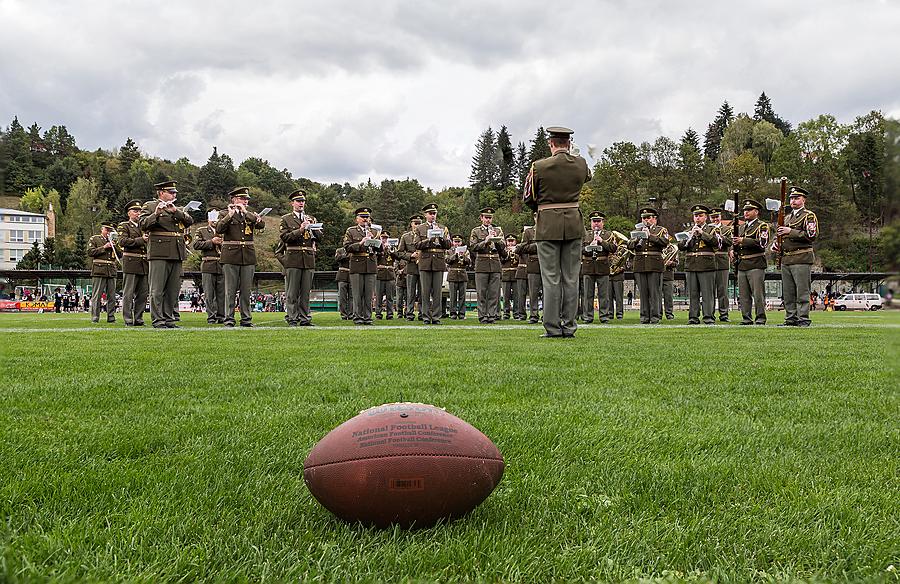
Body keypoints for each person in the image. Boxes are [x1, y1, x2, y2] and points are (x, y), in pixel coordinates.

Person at [523, 127, 590, 338]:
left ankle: (552, 327)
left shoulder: (539, 166)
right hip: (573, 223)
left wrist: (542, 208)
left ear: (551, 144)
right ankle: (569, 326)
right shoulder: (581, 164)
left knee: (550, 278)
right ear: (569, 144)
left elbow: (528, 196)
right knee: (571, 278)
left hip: (547, 224)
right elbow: (586, 177)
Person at [140, 180, 194, 328]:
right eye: (171, 192)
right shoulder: (150, 206)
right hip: (159, 251)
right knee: (157, 289)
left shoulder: (178, 208)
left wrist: (175, 211)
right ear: (161, 193)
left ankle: (169, 319)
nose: (174, 195)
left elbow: (189, 221)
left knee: (172, 289)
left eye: (174, 193)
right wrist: (156, 213)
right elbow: (143, 224)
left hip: (177, 251)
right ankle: (158, 319)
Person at [217, 186, 265, 327]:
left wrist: (245, 212)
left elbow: (261, 224)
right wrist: (230, 215)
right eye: (242, 199)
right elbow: (219, 229)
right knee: (230, 290)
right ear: (234, 199)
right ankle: (229, 319)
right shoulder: (224, 213)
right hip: (231, 255)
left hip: (248, 255)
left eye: (246, 199)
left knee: (246, 290)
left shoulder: (249, 214)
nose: (245, 201)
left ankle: (246, 319)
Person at [774, 185, 819, 327]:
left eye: (796, 198)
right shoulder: (786, 217)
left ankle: (803, 318)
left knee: (802, 291)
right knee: (788, 293)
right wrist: (776, 244)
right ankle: (791, 318)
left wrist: (790, 231)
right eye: (791, 198)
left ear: (803, 200)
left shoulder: (808, 216)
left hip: (801, 257)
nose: (793, 201)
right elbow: (781, 235)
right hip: (786, 258)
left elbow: (811, 235)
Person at [280, 189, 319, 327]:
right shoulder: (286, 219)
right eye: (298, 201)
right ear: (292, 203)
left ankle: (304, 318)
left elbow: (320, 238)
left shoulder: (311, 218)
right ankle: (292, 317)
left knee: (305, 292)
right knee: (292, 292)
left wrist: (314, 228)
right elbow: (285, 237)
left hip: (307, 259)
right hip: (293, 258)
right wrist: (301, 229)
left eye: (302, 201)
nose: (301, 203)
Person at [627, 207, 668, 325]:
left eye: (648, 218)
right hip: (640, 263)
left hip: (654, 263)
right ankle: (644, 316)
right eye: (644, 218)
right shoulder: (637, 231)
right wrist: (636, 240)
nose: (646, 220)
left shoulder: (661, 230)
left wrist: (649, 236)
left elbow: (664, 242)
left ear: (654, 219)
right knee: (643, 292)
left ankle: (655, 317)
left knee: (654, 292)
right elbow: (629, 245)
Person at [678, 204, 718, 325]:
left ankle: (708, 317)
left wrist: (702, 234)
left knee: (707, 294)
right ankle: (693, 317)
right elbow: (680, 247)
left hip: (706, 265)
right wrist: (687, 238)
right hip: (691, 265)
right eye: (696, 216)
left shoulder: (712, 229)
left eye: (700, 216)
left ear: (706, 217)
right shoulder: (687, 231)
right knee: (693, 294)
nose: (697, 218)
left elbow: (716, 242)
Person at [733, 199, 770, 325]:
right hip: (742, 264)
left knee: (758, 294)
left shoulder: (762, 226)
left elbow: (762, 243)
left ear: (756, 212)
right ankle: (746, 318)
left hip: (755, 263)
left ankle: (760, 317)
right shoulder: (742, 227)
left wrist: (743, 240)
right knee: (744, 295)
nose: (746, 212)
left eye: (749, 210)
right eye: (745, 210)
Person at [413, 203, 451, 324]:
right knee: (425, 291)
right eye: (430, 213)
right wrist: (428, 240)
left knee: (437, 292)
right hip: (425, 261)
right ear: (425, 215)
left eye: (434, 213)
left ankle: (436, 317)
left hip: (438, 261)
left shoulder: (443, 228)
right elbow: (417, 245)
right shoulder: (420, 228)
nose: (433, 216)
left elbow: (449, 245)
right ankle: (425, 316)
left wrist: (441, 238)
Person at [469, 207, 505, 324]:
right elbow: (473, 247)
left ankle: (492, 315)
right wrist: (486, 241)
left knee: (494, 293)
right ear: (481, 218)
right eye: (486, 218)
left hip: (495, 263)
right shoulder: (476, 231)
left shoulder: (498, 230)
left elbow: (503, 248)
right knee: (482, 292)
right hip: (482, 264)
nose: (488, 220)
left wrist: (497, 240)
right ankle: (482, 316)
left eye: (490, 218)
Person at [342, 207, 378, 325]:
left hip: (370, 264)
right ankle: (358, 317)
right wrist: (361, 242)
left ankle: (367, 317)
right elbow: (347, 247)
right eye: (362, 217)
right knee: (357, 294)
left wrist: (376, 242)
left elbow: (380, 250)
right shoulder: (351, 231)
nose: (365, 219)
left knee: (368, 294)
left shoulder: (375, 231)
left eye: (367, 217)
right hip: (357, 264)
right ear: (357, 219)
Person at [580, 211, 617, 324]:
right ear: (591, 223)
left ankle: (604, 316)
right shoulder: (584, 235)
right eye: (594, 221)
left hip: (602, 266)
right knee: (587, 294)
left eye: (598, 221)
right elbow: (578, 250)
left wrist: (602, 242)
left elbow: (613, 248)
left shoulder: (608, 234)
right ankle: (587, 316)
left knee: (604, 294)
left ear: (602, 222)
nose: (596, 224)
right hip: (588, 265)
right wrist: (589, 247)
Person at [118, 199, 149, 326]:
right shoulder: (124, 226)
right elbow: (123, 241)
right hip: (131, 261)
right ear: (129, 213)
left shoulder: (144, 227)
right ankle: (128, 318)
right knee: (128, 293)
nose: (138, 213)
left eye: (139, 211)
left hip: (144, 263)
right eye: (135, 211)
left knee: (142, 294)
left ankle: (139, 317)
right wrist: (141, 240)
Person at [193, 206, 225, 324]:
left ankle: (221, 316)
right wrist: (211, 242)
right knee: (209, 293)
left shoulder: (224, 230)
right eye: (212, 218)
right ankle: (211, 316)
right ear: (208, 219)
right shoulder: (202, 230)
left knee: (222, 293)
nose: (215, 221)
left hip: (221, 264)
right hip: (208, 264)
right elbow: (196, 244)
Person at [87, 221, 120, 323]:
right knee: (97, 295)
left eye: (110, 230)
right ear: (102, 230)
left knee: (112, 296)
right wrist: (104, 247)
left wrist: (115, 246)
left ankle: (111, 317)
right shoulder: (95, 239)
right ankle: (95, 317)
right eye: (106, 230)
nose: (108, 232)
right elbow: (90, 252)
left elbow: (120, 255)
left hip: (111, 270)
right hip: (99, 269)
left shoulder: (115, 241)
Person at [516, 214, 542, 324]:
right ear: (534, 218)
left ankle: (548, 315)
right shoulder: (529, 232)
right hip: (533, 263)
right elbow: (522, 248)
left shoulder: (551, 230)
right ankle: (533, 315)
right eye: (537, 217)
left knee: (549, 292)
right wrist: (537, 246)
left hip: (548, 264)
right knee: (533, 292)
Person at [708, 208, 733, 322]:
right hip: (709, 261)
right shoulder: (707, 229)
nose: (715, 219)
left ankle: (724, 314)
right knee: (709, 290)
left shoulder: (727, 229)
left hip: (722, 260)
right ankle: (710, 313)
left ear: (720, 217)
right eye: (713, 217)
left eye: (717, 216)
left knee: (722, 290)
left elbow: (729, 242)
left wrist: (720, 236)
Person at [397, 215, 423, 321]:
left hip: (423, 266)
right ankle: (409, 313)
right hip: (411, 266)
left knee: (423, 292)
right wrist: (410, 255)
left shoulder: (425, 235)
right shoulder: (405, 236)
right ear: (411, 224)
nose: (417, 225)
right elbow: (399, 252)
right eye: (415, 223)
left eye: (419, 223)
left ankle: (422, 313)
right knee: (410, 292)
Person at [446, 234, 470, 319]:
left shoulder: (466, 251)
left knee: (462, 296)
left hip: (462, 275)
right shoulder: (449, 251)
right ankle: (453, 313)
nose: (457, 244)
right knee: (453, 296)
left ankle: (462, 313)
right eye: (455, 242)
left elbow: (469, 262)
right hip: (453, 274)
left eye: (459, 242)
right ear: (452, 242)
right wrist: (455, 255)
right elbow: (447, 260)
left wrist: (463, 256)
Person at [375, 232, 398, 319]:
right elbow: (374, 257)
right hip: (380, 274)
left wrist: (391, 250)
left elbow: (397, 257)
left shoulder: (392, 247)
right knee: (379, 296)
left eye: (386, 238)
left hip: (390, 274)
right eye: (383, 238)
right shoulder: (377, 247)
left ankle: (390, 314)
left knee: (390, 296)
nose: (384, 240)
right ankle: (378, 314)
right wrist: (381, 250)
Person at [500, 234, 519, 320]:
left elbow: (521, 259)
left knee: (516, 296)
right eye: (509, 241)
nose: (510, 243)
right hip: (506, 275)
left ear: (515, 242)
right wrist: (507, 253)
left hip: (515, 274)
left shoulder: (519, 250)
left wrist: (515, 253)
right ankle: (506, 313)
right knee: (506, 296)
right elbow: (502, 260)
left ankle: (516, 313)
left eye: (512, 241)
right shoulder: (502, 250)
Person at [661, 240, 678, 320]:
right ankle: (658, 314)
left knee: (668, 297)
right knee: (656, 297)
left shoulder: (672, 249)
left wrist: (671, 263)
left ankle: (669, 314)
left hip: (668, 276)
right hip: (658, 274)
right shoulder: (658, 247)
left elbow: (676, 263)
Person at [334, 247, 352, 320]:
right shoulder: (339, 250)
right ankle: (343, 315)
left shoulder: (354, 250)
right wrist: (345, 255)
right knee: (342, 297)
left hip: (351, 275)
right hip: (342, 275)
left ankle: (351, 314)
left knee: (352, 297)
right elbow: (337, 258)